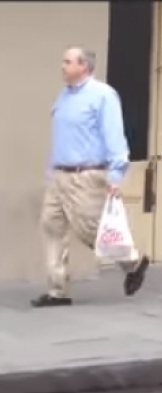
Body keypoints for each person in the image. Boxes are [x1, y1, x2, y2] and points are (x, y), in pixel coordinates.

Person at [32, 46, 149, 308]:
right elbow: (62, 137)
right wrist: (50, 172)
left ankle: (133, 262)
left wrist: (116, 174)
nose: (62, 66)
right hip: (60, 175)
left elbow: (114, 136)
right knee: (51, 227)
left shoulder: (103, 96)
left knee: (91, 230)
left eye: (68, 62)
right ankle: (57, 290)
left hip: (86, 175)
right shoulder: (63, 96)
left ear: (84, 66)